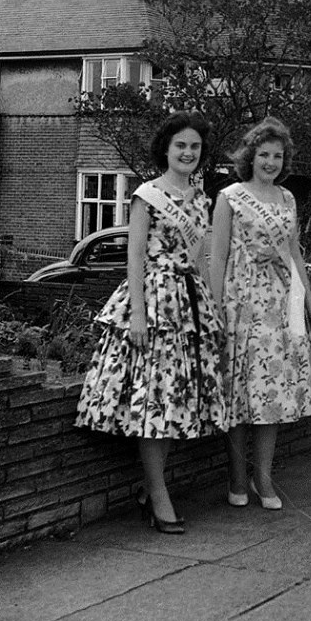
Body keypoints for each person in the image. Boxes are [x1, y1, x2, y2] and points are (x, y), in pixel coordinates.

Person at [76, 111, 227, 534]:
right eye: (180, 145)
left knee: (183, 401)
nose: (188, 152)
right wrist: (138, 315)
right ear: (166, 148)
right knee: (153, 402)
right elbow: (135, 256)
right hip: (154, 302)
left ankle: (150, 488)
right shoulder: (147, 194)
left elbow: (202, 259)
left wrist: (211, 309)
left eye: (195, 146)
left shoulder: (201, 198)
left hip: (190, 305)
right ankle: (159, 496)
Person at [210, 118, 311, 511]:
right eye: (263, 154)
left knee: (269, 390)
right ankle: (238, 477)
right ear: (250, 157)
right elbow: (218, 255)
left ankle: (264, 478)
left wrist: (307, 301)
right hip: (241, 301)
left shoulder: (287, 199)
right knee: (239, 392)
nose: (270, 162)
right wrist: (216, 308)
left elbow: (294, 253)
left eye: (277, 155)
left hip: (278, 303)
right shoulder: (230, 197)